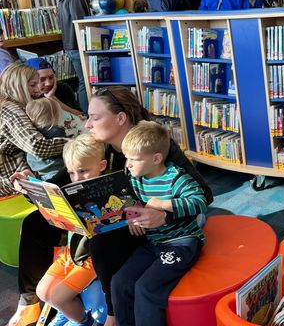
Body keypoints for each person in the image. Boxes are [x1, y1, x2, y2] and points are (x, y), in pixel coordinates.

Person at [8, 87, 213, 326]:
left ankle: (113, 315)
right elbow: (58, 184)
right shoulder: (98, 146)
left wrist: (163, 214)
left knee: (102, 240)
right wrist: (30, 185)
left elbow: (203, 195)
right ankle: (31, 300)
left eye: (95, 117)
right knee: (34, 222)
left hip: (150, 227)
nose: (87, 125)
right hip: (112, 218)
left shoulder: (149, 144)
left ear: (120, 118)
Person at [112, 121, 207, 326]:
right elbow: (131, 202)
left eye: (134, 159)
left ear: (156, 159)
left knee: (146, 288)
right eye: (126, 157)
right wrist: (132, 217)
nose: (127, 164)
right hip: (154, 244)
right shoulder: (136, 178)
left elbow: (199, 201)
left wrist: (164, 204)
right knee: (120, 282)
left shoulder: (176, 178)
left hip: (183, 243)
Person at [36, 135, 108, 326]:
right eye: (72, 172)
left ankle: (83, 322)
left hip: (91, 257)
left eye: (83, 171)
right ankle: (72, 314)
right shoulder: (70, 189)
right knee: (42, 292)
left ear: (101, 165)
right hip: (71, 251)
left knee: (59, 298)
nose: (77, 178)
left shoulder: (108, 192)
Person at [0, 63, 67, 197]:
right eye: (32, 85)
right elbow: (38, 147)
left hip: (19, 174)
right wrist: (73, 143)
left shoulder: (10, 106)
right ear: (17, 86)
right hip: (12, 181)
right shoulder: (12, 111)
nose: (39, 89)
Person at [58, 0, 91, 113]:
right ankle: (87, 113)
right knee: (86, 82)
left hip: (69, 44)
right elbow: (80, 22)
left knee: (83, 81)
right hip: (78, 45)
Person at [25, 97, 66, 180]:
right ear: (54, 115)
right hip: (58, 171)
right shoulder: (56, 131)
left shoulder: (32, 134)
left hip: (40, 173)